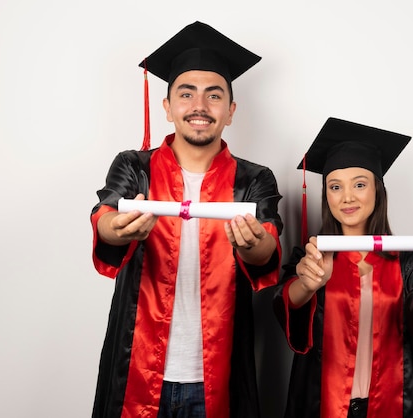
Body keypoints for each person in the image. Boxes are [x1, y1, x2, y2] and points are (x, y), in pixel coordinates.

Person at [90, 21, 283, 418]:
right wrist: (117, 228)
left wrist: (254, 245)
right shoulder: (134, 167)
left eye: (214, 96)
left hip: (217, 372)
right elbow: (105, 218)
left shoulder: (254, 179)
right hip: (138, 366)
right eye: (186, 93)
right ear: (167, 107)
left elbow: (268, 246)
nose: (200, 106)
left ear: (230, 112)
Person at [273, 117, 413, 418]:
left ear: (378, 190)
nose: (347, 197)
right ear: (327, 195)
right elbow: (284, 312)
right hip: (321, 404)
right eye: (335, 187)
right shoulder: (311, 257)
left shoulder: (407, 259)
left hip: (395, 405)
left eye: (359, 184)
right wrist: (308, 284)